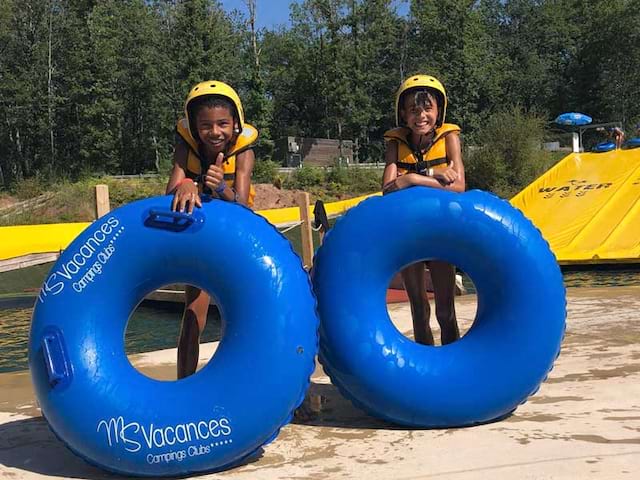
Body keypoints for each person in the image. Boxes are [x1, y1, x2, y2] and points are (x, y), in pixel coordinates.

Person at [166, 80, 258, 378]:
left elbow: (242, 207)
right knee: (193, 316)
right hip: (201, 240)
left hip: (236, 240)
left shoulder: (243, 153)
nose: (214, 132)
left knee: (249, 316)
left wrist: (219, 186)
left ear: (235, 124)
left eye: (222, 124)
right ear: (194, 127)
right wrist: (188, 183)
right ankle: (185, 384)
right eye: (205, 125)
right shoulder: (186, 150)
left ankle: (263, 387)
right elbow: (169, 192)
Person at [381, 74, 465, 346]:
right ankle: (426, 366)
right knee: (419, 308)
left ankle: (453, 365)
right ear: (403, 114)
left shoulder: (450, 137)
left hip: (440, 230)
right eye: (414, 110)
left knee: (445, 310)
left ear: (438, 110)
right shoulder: (395, 143)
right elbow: (389, 187)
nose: (421, 116)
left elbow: (459, 186)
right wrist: (431, 177)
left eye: (427, 108)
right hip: (408, 233)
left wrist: (414, 179)